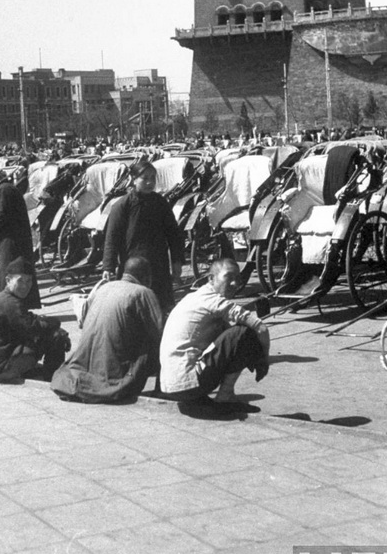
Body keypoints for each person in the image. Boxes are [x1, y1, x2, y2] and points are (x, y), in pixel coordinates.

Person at [159, 258, 270, 410]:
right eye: (229, 277)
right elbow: (260, 327)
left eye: (238, 279)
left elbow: (229, 342)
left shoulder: (193, 297)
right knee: (243, 332)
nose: (235, 284)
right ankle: (225, 397)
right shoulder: (211, 300)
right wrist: (264, 359)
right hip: (187, 383)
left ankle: (214, 396)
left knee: (233, 334)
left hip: (171, 385)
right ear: (211, 278)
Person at [50, 256, 163, 404]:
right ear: (147, 277)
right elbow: (160, 333)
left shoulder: (104, 287)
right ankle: (162, 390)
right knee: (163, 340)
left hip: (84, 365)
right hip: (116, 373)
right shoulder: (143, 292)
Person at [102, 159, 184, 314]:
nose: (150, 182)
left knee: (161, 309)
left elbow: (173, 234)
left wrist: (177, 261)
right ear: (133, 179)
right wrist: (108, 266)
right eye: (144, 178)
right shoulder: (122, 205)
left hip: (158, 266)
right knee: (133, 310)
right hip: (132, 267)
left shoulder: (160, 203)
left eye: (153, 178)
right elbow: (112, 238)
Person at [0, 257, 69, 384]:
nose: (25, 286)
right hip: (1, 369)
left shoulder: (5, 298)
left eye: (29, 281)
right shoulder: (9, 302)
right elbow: (33, 327)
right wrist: (55, 323)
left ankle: (37, 370)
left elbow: (28, 320)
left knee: (47, 331)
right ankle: (53, 378)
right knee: (57, 336)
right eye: (20, 281)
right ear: (8, 280)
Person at [0, 172, 40, 308]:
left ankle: (8, 306)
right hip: (15, 237)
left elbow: (1, 215)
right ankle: (16, 305)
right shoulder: (6, 188)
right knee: (17, 271)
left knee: (9, 270)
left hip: (13, 239)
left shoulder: (3, 190)